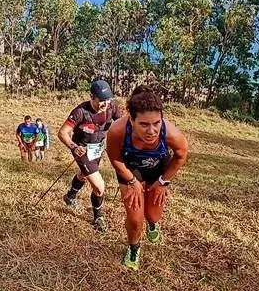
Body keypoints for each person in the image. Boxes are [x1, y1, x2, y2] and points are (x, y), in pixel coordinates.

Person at [105, 85, 188, 271]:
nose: (151, 130)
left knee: (152, 214)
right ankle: (133, 248)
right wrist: (132, 181)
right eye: (144, 124)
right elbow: (114, 158)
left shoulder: (171, 133)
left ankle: (153, 224)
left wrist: (163, 182)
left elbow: (181, 156)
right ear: (131, 120)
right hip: (131, 168)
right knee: (135, 219)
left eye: (156, 123)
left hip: (158, 169)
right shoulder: (117, 131)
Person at [57, 79, 123, 233]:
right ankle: (98, 217)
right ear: (92, 97)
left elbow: (123, 123)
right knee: (99, 187)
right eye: (101, 100)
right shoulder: (80, 111)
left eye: (108, 100)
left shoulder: (111, 108)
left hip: (97, 148)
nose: (105, 104)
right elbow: (62, 133)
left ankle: (70, 196)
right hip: (82, 150)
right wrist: (74, 146)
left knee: (84, 174)